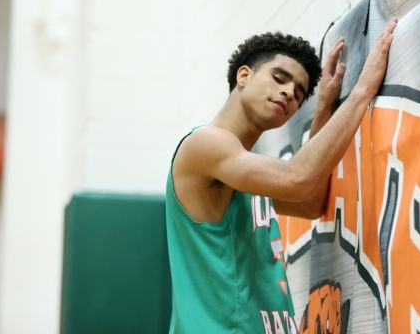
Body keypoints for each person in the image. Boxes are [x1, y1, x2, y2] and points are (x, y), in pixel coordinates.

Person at [166, 18, 397, 333]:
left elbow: (309, 202)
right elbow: (296, 180)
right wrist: (362, 92)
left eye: (299, 93)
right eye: (279, 78)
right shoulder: (206, 144)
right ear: (244, 75)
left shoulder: (240, 169)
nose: (289, 92)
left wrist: (323, 110)